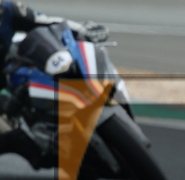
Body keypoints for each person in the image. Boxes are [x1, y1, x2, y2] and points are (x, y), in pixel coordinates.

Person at [0, 1, 109, 168]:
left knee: (50, 62)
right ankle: (48, 152)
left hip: (11, 67)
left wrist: (81, 30)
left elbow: (45, 21)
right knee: (18, 138)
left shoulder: (7, 9)